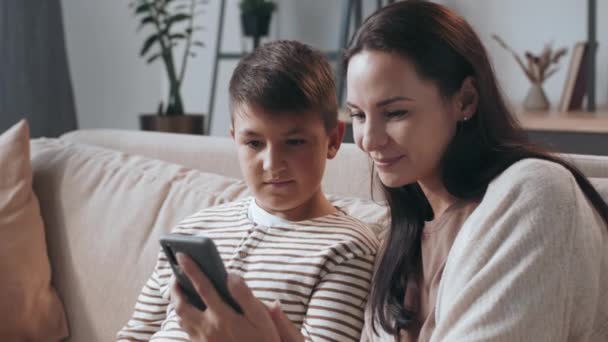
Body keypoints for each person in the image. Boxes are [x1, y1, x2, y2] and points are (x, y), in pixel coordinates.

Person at [168, 1, 608, 341]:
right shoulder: (401, 242)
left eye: (394, 112)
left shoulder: (534, 194)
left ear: (466, 100)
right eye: (358, 115)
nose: (369, 140)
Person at [116, 40, 379, 342]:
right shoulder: (192, 231)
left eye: (294, 142)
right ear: (235, 139)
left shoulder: (347, 248)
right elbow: (134, 335)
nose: (272, 163)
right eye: (254, 143)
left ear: (333, 140)